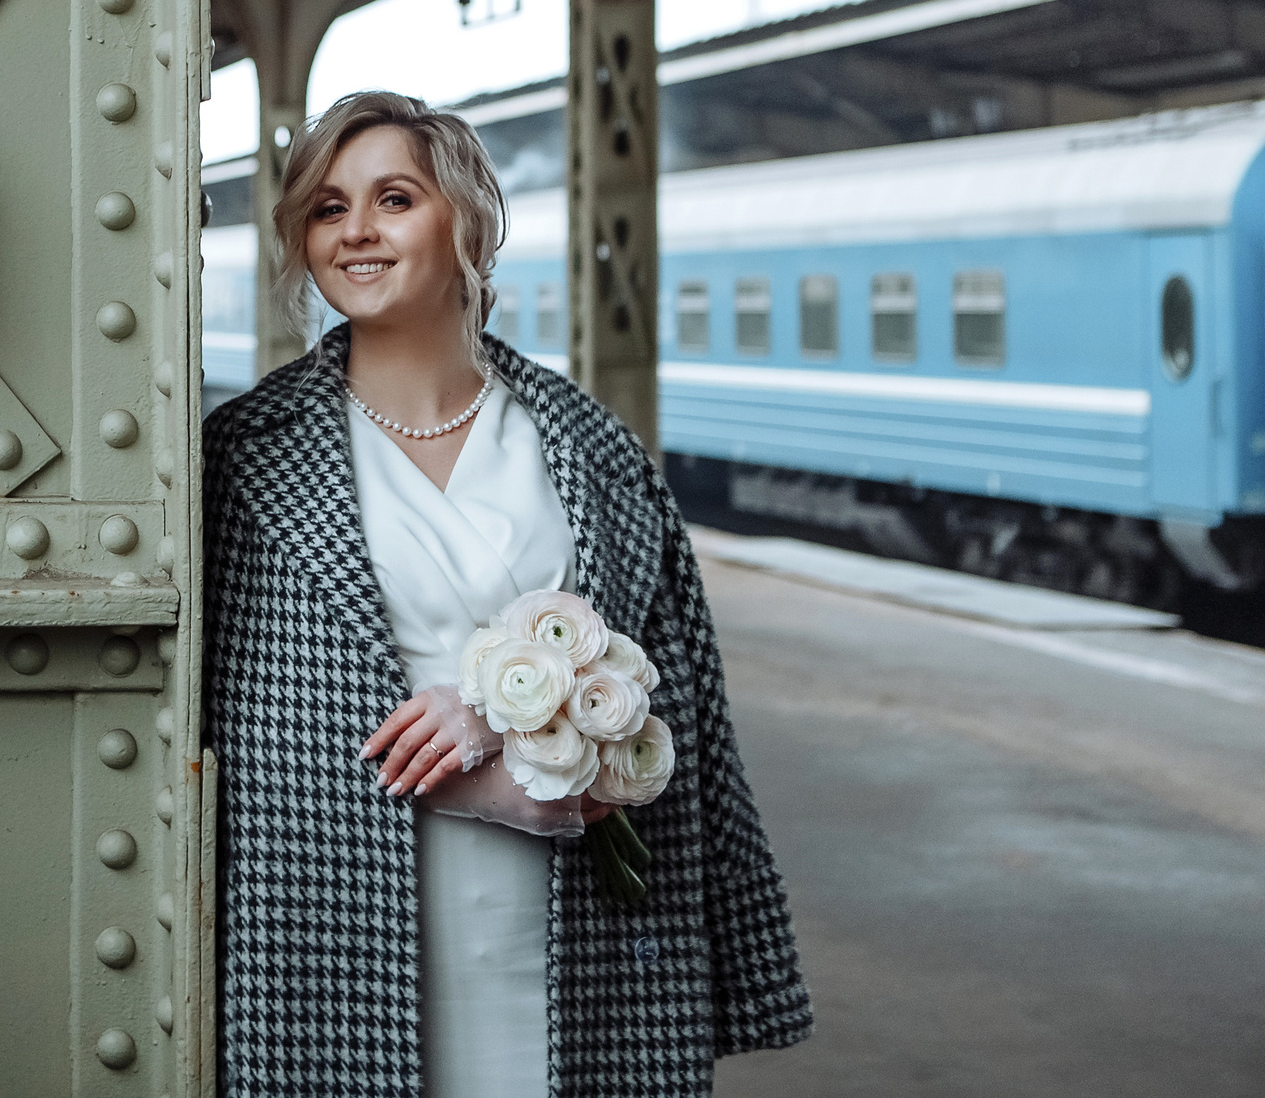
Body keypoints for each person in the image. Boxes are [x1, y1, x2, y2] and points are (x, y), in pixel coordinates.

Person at [201, 91, 810, 1098]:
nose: (355, 230)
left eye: (393, 198)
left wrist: (511, 727)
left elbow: (682, 706)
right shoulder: (242, 459)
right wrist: (453, 758)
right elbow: (227, 722)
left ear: (466, 220)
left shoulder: (592, 448)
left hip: (580, 935)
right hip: (330, 940)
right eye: (324, 208)